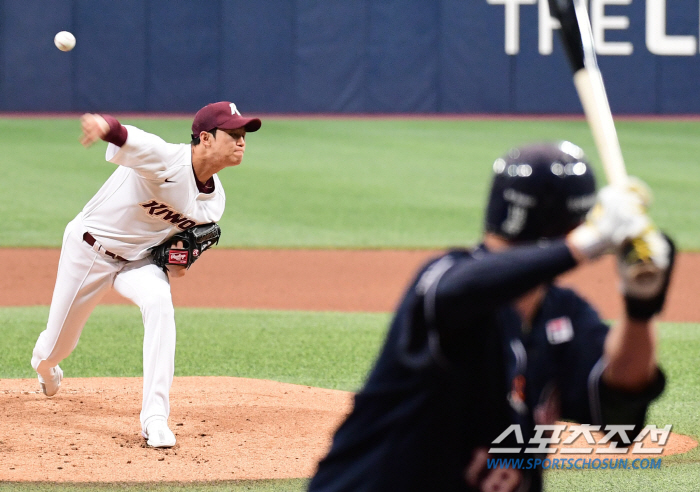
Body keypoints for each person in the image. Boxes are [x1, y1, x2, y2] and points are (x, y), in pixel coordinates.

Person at [308, 142, 675, 492]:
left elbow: (620, 422)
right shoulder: (445, 279)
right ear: (573, 223)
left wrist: (640, 309)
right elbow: (462, 290)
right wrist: (585, 243)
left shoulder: (563, 313)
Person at [31, 101, 261, 448]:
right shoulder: (166, 159)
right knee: (57, 346)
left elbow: (176, 262)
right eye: (233, 133)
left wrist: (179, 262)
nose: (242, 141)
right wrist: (101, 125)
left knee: (159, 303)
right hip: (89, 249)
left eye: (244, 134)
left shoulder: (215, 204)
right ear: (205, 138)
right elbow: (125, 135)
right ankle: (45, 366)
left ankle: (155, 418)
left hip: (138, 262)